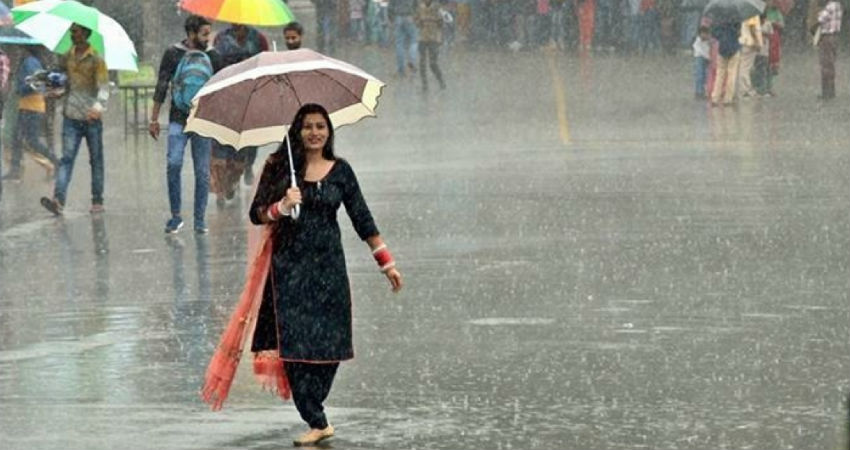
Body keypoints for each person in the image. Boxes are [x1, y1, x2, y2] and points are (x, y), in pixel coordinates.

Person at [247, 104, 403, 446]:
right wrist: (282, 206)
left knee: (331, 345)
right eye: (307, 127)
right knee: (294, 349)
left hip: (329, 270)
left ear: (329, 131)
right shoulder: (279, 169)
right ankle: (316, 419)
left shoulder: (341, 171)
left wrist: (387, 263)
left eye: (321, 126)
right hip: (288, 272)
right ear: (297, 131)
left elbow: (362, 218)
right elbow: (256, 214)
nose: (314, 133)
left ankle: (315, 403)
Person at [149, 15, 222, 233]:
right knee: (173, 163)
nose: (208, 39)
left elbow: (221, 88)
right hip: (177, 118)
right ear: (191, 34)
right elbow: (162, 85)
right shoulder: (173, 53)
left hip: (203, 121)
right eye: (204, 34)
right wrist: (154, 118)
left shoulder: (213, 56)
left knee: (201, 171)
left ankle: (199, 219)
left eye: (209, 33)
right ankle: (176, 216)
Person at [40, 23, 109, 216]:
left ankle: (97, 200)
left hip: (91, 118)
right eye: (71, 32)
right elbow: (64, 83)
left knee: (96, 160)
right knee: (66, 159)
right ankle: (58, 200)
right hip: (70, 116)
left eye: (76, 32)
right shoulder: (66, 57)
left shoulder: (96, 58)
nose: (72, 35)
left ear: (85, 34)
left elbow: (103, 87)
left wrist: (97, 107)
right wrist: (56, 92)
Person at [212, 24, 270, 200]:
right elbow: (215, 65)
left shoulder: (258, 39)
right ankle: (223, 184)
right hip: (226, 96)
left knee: (249, 140)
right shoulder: (221, 39)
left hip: (251, 96)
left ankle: (244, 167)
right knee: (225, 139)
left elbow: (266, 64)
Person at [4, 45, 58, 182]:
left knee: (32, 141)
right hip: (26, 106)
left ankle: (58, 163)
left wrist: (20, 88)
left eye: (20, 48)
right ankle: (15, 171)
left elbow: (37, 84)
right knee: (17, 139)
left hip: (33, 107)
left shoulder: (31, 62)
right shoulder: (28, 61)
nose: (18, 50)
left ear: (26, 48)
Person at [416, 0, 447, 91]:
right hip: (422, 37)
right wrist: (420, 22)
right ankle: (424, 85)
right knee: (422, 63)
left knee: (433, 63)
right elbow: (416, 20)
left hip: (434, 38)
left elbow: (441, 23)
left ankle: (441, 81)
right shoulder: (420, 6)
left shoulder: (437, 8)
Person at [814, 0, 842, 100]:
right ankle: (831, 91)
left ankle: (826, 93)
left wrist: (819, 11)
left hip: (827, 37)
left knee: (825, 64)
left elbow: (820, 18)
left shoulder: (830, 6)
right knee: (831, 64)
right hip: (834, 37)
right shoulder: (838, 5)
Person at [710, 20, 741, 107]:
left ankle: (715, 97)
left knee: (720, 74)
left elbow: (714, 34)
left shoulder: (719, 19)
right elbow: (739, 33)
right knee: (732, 73)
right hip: (734, 48)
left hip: (722, 49)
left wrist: (722, 34)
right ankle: (728, 99)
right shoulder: (736, 18)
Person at [389, 0, 419, 77]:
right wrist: (415, 16)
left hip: (398, 17)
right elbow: (417, 5)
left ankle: (401, 70)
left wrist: (392, 19)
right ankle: (412, 66)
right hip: (410, 17)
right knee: (414, 41)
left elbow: (390, 7)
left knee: (399, 44)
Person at [737, 13, 762, 99]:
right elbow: (752, 27)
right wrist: (757, 42)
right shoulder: (751, 12)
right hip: (750, 43)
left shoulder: (743, 13)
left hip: (744, 42)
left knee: (744, 67)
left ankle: (744, 89)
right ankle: (745, 90)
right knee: (745, 68)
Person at [692, 25, 711, 100]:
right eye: (703, 34)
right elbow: (699, 51)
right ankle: (698, 92)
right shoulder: (698, 41)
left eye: (706, 34)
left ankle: (703, 91)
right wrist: (708, 57)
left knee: (705, 76)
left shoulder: (709, 41)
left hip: (706, 59)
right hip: (699, 58)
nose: (704, 35)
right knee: (699, 75)